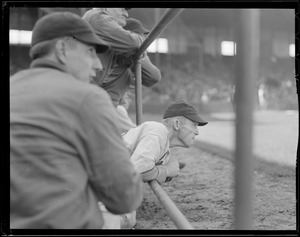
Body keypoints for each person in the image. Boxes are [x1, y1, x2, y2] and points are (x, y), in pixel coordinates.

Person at [10, 12, 143, 229]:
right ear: (62, 50)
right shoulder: (88, 97)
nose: (98, 65)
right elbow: (125, 197)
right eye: (90, 52)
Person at [119, 100, 208, 228]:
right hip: (91, 179)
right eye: (194, 125)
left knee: (129, 218)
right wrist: (166, 170)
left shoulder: (164, 147)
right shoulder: (158, 130)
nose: (197, 132)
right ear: (177, 124)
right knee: (128, 219)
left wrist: (166, 169)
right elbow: (134, 173)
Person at [82, 9, 161, 107]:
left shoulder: (123, 69)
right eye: (136, 35)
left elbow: (153, 77)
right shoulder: (97, 18)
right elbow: (133, 44)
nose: (126, 14)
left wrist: (134, 56)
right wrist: (138, 48)